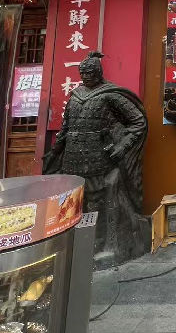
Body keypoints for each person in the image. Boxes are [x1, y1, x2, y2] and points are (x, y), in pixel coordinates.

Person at [43, 51, 149, 262]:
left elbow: (138, 121)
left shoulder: (110, 95)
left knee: (98, 204)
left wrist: (122, 147)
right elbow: (65, 129)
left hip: (98, 160)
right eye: (83, 73)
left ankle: (100, 244)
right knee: (71, 205)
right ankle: (74, 247)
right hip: (72, 160)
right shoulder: (75, 96)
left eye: (90, 72)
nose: (86, 76)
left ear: (98, 72)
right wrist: (55, 152)